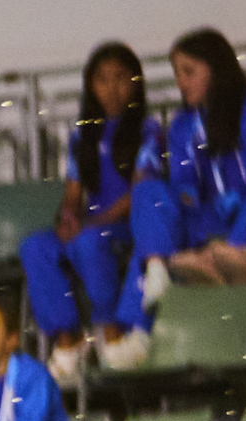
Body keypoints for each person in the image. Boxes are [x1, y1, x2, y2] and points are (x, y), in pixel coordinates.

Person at [129, 29, 246, 303]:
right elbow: (184, 180)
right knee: (148, 191)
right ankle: (157, 276)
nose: (180, 83)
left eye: (188, 72)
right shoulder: (182, 125)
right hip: (207, 221)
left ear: (215, 68)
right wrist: (188, 197)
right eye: (177, 74)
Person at [23, 42, 160, 377]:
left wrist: (92, 221)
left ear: (135, 82)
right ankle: (68, 339)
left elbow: (138, 192)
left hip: (125, 224)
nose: (111, 88)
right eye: (101, 79)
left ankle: (110, 330)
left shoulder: (148, 131)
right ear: (90, 85)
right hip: (92, 223)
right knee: (35, 246)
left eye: (120, 78)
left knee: (89, 241)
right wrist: (69, 216)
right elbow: (73, 192)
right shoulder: (82, 136)